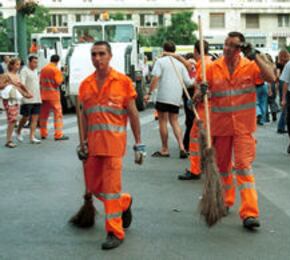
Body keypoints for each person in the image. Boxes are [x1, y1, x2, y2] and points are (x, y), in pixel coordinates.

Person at [199, 31, 275, 229]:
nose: (226, 48)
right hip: (220, 127)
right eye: (225, 44)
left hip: (243, 127)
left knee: (243, 167)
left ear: (240, 49)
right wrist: (202, 91)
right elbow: (197, 97)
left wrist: (256, 56)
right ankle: (225, 201)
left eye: (231, 45)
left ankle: (250, 213)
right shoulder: (212, 68)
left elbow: (272, 77)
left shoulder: (250, 67)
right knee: (223, 168)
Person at [78, 41, 145, 250]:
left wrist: (139, 144)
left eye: (101, 54)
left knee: (110, 189)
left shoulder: (123, 82)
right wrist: (82, 143)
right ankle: (124, 202)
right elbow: (83, 116)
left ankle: (114, 231)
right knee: (95, 187)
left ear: (110, 55)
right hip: (93, 146)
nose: (97, 58)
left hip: (114, 147)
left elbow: (133, 113)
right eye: (94, 54)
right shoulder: (85, 84)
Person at [166, 40, 213, 180]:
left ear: (195, 51)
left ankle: (195, 169)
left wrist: (193, 100)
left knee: (195, 138)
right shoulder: (210, 63)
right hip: (211, 109)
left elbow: (202, 88)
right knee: (210, 138)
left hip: (205, 109)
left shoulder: (205, 66)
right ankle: (213, 166)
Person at [144, 41, 193, 159]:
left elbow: (155, 78)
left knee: (163, 121)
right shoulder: (180, 65)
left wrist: (149, 93)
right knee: (174, 121)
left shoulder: (160, 62)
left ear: (164, 49)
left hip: (163, 96)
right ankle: (182, 147)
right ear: (174, 50)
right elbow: (188, 82)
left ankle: (165, 149)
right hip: (176, 97)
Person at [2, 58, 32, 148]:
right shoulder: (6, 75)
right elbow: (1, 86)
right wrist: (10, 83)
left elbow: (19, 87)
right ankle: (9, 140)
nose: (18, 66)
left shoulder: (17, 75)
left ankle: (9, 139)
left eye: (19, 64)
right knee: (12, 120)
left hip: (16, 99)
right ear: (11, 65)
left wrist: (26, 94)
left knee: (14, 119)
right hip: (9, 99)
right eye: (16, 64)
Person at [39, 54, 69, 141]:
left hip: (43, 95)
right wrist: (63, 74)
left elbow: (40, 82)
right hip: (53, 95)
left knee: (43, 115)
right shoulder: (56, 70)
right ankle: (58, 134)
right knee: (58, 115)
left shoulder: (43, 69)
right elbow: (59, 82)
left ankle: (43, 133)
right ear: (58, 61)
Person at [16, 56, 42, 144]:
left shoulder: (35, 71)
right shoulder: (24, 71)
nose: (36, 64)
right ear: (29, 62)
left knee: (35, 117)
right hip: (27, 98)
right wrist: (26, 93)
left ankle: (32, 136)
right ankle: (19, 130)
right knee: (25, 117)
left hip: (37, 98)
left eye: (36, 62)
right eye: (34, 62)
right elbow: (21, 84)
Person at [276, 50, 290, 134]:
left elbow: (277, 75)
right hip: (286, 82)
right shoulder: (289, 63)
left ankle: (283, 124)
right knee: (286, 104)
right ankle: (281, 126)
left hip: (281, 82)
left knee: (284, 103)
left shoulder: (279, 64)